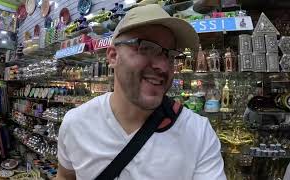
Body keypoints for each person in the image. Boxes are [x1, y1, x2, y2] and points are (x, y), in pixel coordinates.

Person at [57, 4, 226, 180]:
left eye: (169, 55)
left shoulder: (198, 134)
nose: (162, 66)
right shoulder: (76, 124)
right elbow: (65, 176)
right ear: (113, 57)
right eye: (145, 48)